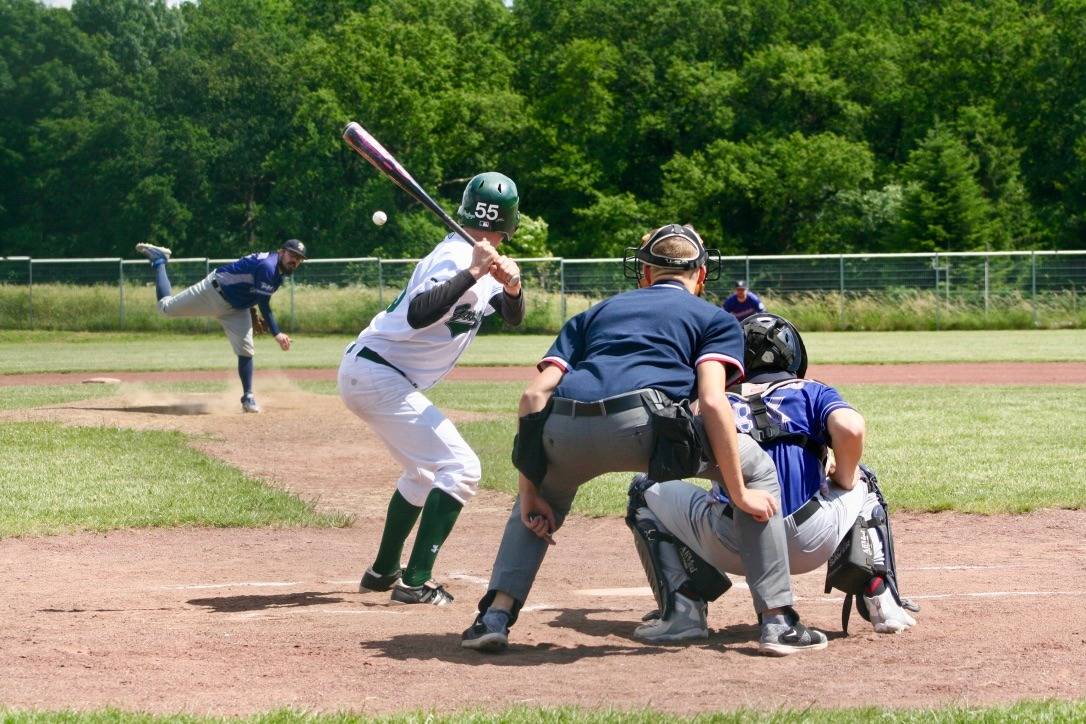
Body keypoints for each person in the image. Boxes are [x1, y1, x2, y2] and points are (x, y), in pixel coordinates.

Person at [460, 223, 827, 656]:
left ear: (646, 273)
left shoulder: (593, 314)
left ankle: (495, 616)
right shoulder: (714, 318)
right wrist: (740, 491)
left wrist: (529, 491)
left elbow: (533, 397)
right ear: (701, 275)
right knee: (757, 469)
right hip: (645, 426)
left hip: (566, 430)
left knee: (540, 504)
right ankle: (778, 623)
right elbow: (712, 402)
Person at [628, 313, 919, 643]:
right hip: (810, 539)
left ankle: (684, 610)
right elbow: (851, 429)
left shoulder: (714, 403)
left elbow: (675, 455)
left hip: (730, 541)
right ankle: (883, 600)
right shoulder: (812, 391)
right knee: (865, 480)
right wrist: (846, 478)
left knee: (643, 489)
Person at [340, 172, 525, 606]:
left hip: (377, 375)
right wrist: (472, 271)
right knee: (462, 469)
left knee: (423, 472)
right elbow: (418, 315)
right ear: (509, 223)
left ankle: (383, 571)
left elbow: (513, 317)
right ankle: (414, 582)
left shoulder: (479, 256)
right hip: (377, 373)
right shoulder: (455, 256)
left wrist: (513, 286)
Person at [134, 239, 306, 413]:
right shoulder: (269, 267)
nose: (295, 260)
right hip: (212, 292)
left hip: (237, 309)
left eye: (299, 258)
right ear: (282, 251)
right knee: (166, 309)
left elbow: (249, 282)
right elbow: (265, 304)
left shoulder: (277, 269)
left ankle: (248, 397)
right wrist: (277, 334)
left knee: (246, 350)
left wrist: (250, 306)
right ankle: (160, 261)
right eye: (292, 254)